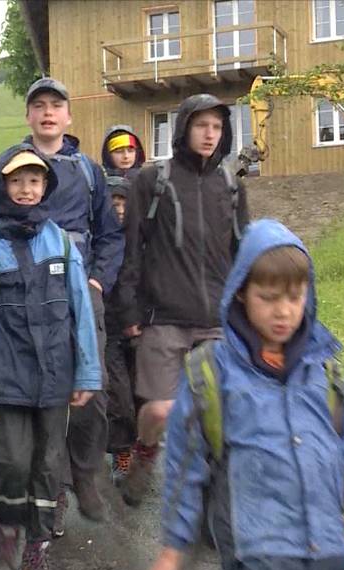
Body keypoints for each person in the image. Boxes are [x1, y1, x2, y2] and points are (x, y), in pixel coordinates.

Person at [147, 219, 344, 570]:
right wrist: (172, 553)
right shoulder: (210, 375)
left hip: (327, 554)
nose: (283, 311)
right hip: (256, 558)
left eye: (295, 298)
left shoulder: (325, 375)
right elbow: (184, 468)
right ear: (240, 292)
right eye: (268, 298)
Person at [0, 77, 124, 527]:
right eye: (39, 105)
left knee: (90, 389)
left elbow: (110, 235)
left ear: (69, 116)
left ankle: (86, 475)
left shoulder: (89, 170)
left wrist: (96, 282)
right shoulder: (6, 162)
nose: (48, 112)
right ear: (29, 115)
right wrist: (7, 211)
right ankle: (39, 488)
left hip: (74, 286)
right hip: (18, 285)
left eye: (57, 105)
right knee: (22, 392)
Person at [0, 145, 101, 570]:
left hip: (56, 377)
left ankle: (36, 545)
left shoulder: (61, 242)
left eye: (35, 181)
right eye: (17, 180)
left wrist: (88, 372)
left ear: (46, 187)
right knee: (11, 461)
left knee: (47, 465)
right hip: (8, 379)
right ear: (3, 186)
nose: (26, 189)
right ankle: (6, 533)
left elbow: (82, 310)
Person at [116, 94, 249, 506]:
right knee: (159, 411)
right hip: (163, 318)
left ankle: (213, 496)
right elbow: (132, 248)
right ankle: (144, 453)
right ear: (183, 129)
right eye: (201, 125)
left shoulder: (231, 186)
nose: (210, 134)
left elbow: (243, 253)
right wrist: (130, 309)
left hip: (215, 320)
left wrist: (248, 311)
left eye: (217, 127)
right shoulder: (153, 181)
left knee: (218, 414)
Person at [102, 175, 138, 485]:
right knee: (119, 396)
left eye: (124, 201)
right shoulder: (99, 241)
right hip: (110, 329)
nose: (120, 209)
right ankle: (120, 451)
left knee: (141, 394)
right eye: (113, 203)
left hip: (142, 327)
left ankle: (134, 445)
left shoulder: (146, 239)